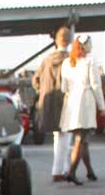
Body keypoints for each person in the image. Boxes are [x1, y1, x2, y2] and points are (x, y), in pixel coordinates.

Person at [60, 35, 105, 185]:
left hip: (72, 102)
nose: (91, 46)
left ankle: (89, 171)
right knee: (81, 138)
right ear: (84, 46)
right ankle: (71, 172)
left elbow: (63, 87)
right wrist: (102, 105)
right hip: (85, 102)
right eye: (90, 44)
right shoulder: (90, 60)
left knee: (83, 138)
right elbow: (96, 84)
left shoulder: (67, 62)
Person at [33, 27, 72, 182]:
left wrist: (43, 92)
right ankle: (62, 169)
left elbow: (35, 79)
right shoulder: (70, 59)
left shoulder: (47, 59)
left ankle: (62, 168)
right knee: (66, 136)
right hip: (65, 102)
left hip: (48, 102)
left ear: (56, 40)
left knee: (58, 136)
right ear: (69, 40)